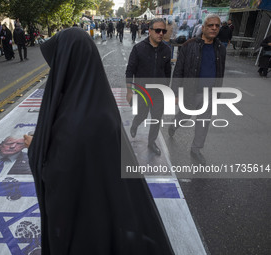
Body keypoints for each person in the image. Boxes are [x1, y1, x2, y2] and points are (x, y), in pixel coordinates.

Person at [23, 27, 174, 255]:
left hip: (84, 222)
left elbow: (59, 173)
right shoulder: (98, 100)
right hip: (105, 210)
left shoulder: (75, 114)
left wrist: (36, 147)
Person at [169, 14, 226, 165]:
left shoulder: (221, 48)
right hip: (190, 91)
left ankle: (196, 149)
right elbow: (178, 70)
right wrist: (175, 93)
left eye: (217, 26)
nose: (214, 28)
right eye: (210, 25)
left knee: (203, 122)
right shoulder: (189, 45)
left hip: (209, 94)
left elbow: (221, 71)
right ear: (203, 27)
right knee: (185, 116)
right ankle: (174, 125)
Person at [126, 18, 171, 156]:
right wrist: (129, 91)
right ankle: (134, 125)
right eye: (158, 30)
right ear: (150, 31)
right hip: (142, 91)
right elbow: (130, 71)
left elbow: (168, 72)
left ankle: (152, 143)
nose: (161, 33)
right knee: (142, 115)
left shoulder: (167, 50)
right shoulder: (138, 48)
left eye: (163, 31)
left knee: (156, 119)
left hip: (159, 93)